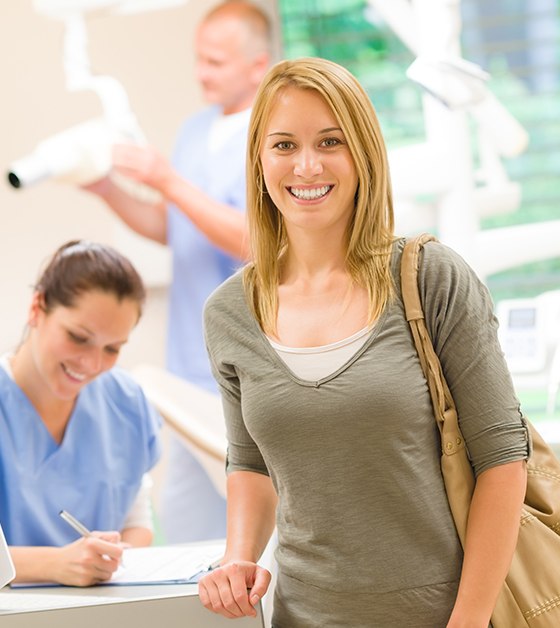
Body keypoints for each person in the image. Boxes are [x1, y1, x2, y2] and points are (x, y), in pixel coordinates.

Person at [198, 57, 531, 627]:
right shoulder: (230, 312)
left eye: (330, 141)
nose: (306, 166)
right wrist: (237, 556)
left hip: (445, 615)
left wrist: (469, 622)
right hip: (303, 616)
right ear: (259, 160)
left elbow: (503, 458)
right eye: (283, 145)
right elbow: (251, 462)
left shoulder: (431, 279)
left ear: (364, 153)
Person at [82, 0, 273, 543]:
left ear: (257, 66)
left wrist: (167, 181)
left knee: (262, 536)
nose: (200, 73)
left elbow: (257, 240)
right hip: (189, 367)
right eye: (198, 59)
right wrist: (107, 189)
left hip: (252, 369)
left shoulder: (272, 135)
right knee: (188, 534)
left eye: (214, 62)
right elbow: (175, 228)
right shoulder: (194, 130)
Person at [0, 240, 162, 587]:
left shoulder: (125, 401)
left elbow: (137, 519)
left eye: (112, 348)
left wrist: (111, 560)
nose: (91, 364)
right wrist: (54, 564)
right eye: (78, 337)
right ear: (36, 308)